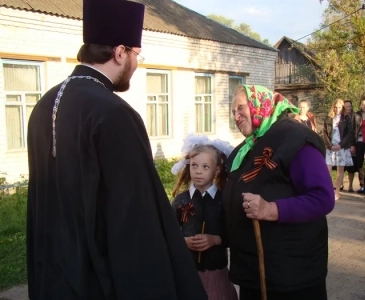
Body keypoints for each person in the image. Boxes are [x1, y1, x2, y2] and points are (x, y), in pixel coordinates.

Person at [26, 1, 208, 299]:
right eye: (136, 54)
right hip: (99, 278)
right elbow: (135, 216)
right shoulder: (113, 112)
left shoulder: (43, 105)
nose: (136, 64)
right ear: (120, 52)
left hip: (54, 274)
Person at [223, 84, 335, 300]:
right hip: (255, 272)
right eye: (233, 112)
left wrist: (270, 209)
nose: (236, 117)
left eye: (240, 108)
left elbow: (323, 197)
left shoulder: (294, 138)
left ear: (259, 105)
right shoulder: (248, 147)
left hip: (290, 276)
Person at [171, 134, 238, 300]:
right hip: (188, 273)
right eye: (194, 165)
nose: (198, 171)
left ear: (217, 169)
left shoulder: (223, 200)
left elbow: (234, 234)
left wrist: (215, 239)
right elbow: (168, 232)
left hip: (216, 274)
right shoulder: (181, 200)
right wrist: (183, 241)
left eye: (205, 167)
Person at [323, 99, 353, 200]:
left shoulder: (346, 118)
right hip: (330, 147)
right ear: (333, 107)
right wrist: (330, 145)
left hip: (342, 147)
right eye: (336, 107)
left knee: (340, 171)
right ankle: (330, 190)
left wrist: (340, 145)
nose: (337, 109)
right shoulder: (328, 118)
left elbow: (349, 134)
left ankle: (337, 192)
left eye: (339, 107)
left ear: (342, 107)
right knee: (328, 170)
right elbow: (325, 134)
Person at [343, 100, 361, 192]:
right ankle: (341, 183)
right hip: (342, 144)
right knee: (341, 165)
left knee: (351, 167)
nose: (348, 108)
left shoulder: (355, 117)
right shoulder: (341, 117)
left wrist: (352, 145)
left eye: (350, 106)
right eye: (346, 106)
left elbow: (354, 132)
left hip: (351, 144)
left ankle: (350, 185)